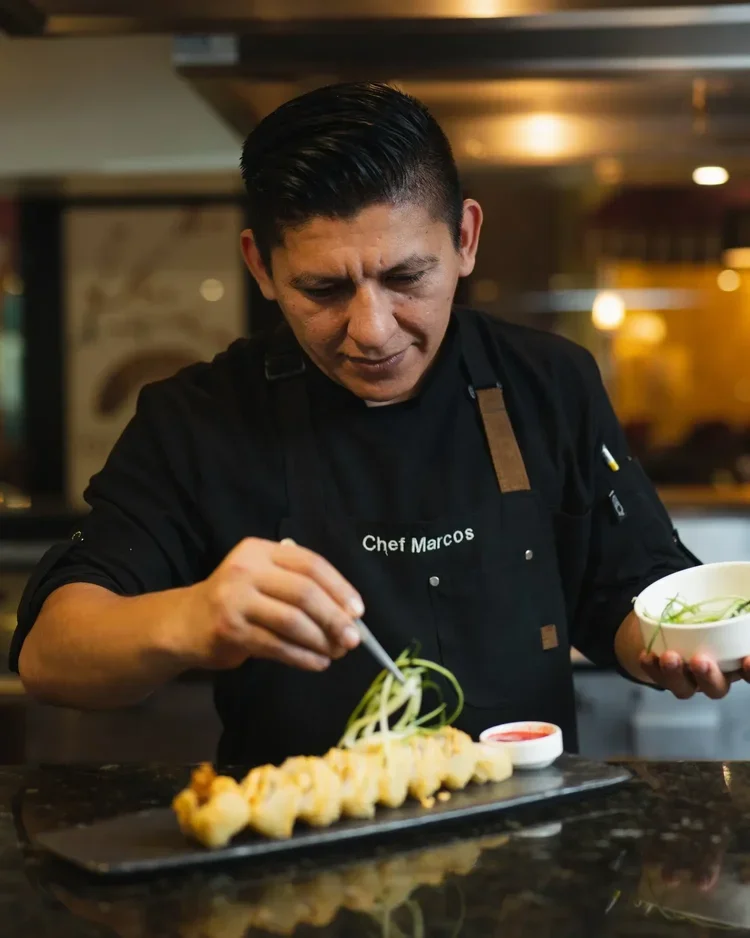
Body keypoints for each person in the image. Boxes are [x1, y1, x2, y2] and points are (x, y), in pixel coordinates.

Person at [10, 83, 747, 767]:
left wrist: (675, 645)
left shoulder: (549, 382)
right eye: (324, 289)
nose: (372, 330)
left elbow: (620, 591)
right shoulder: (199, 418)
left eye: (405, 279)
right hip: (297, 861)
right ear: (261, 269)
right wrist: (192, 617)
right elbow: (50, 655)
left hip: (528, 847)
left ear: (465, 238)